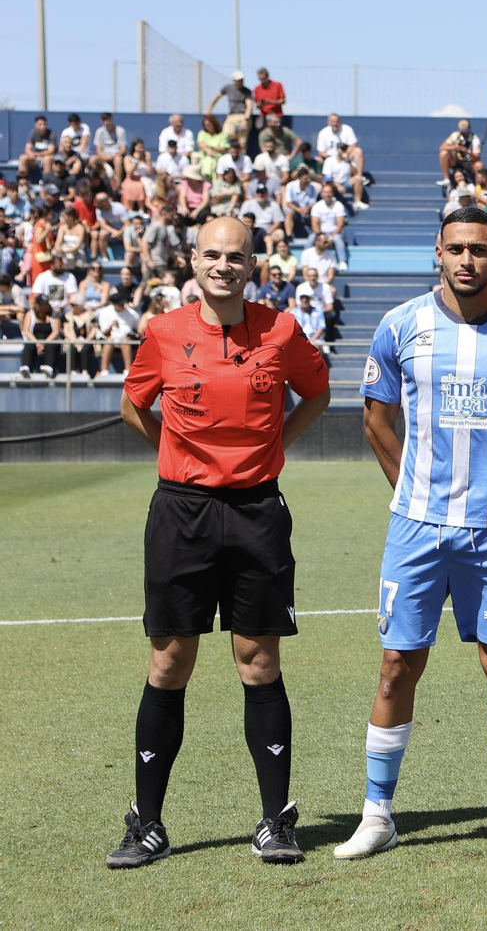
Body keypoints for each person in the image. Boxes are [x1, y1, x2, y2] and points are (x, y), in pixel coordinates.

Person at [333, 206, 487, 861]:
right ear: (438, 251)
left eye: (480, 250)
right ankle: (377, 814)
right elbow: (377, 421)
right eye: (456, 248)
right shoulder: (401, 325)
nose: (467, 260)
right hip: (417, 529)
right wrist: (410, 494)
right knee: (397, 664)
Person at [108, 216, 331, 869]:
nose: (224, 265)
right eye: (212, 254)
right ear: (193, 261)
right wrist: (175, 455)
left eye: (236, 255)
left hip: (258, 511)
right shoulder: (164, 333)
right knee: (169, 662)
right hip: (182, 513)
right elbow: (134, 405)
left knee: (259, 662)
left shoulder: (281, 330)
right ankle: (147, 823)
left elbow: (315, 393)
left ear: (253, 263)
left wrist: (275, 446)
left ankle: (275, 821)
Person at [207, 71, 254, 149]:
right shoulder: (228, 88)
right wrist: (209, 109)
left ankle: (241, 156)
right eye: (238, 80)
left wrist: (245, 119)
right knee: (226, 134)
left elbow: (249, 106)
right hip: (232, 116)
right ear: (234, 80)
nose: (240, 81)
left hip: (243, 116)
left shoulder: (247, 91)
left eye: (242, 79)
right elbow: (216, 97)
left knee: (242, 142)